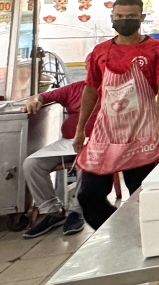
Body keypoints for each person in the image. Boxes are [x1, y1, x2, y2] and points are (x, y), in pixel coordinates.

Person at [73, 0, 159, 229]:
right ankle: (117, 230)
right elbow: (90, 89)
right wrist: (80, 129)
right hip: (105, 131)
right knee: (88, 194)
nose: (124, 20)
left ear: (141, 18)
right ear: (112, 18)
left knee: (141, 193)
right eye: (119, 16)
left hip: (141, 129)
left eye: (130, 17)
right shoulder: (100, 51)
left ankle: (144, 236)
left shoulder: (155, 49)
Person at [21, 80, 100, 238]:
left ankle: (76, 212)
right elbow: (40, 96)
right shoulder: (75, 88)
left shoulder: (113, 87)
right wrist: (35, 100)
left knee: (85, 163)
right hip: (68, 142)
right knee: (32, 164)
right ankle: (53, 212)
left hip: (97, 142)